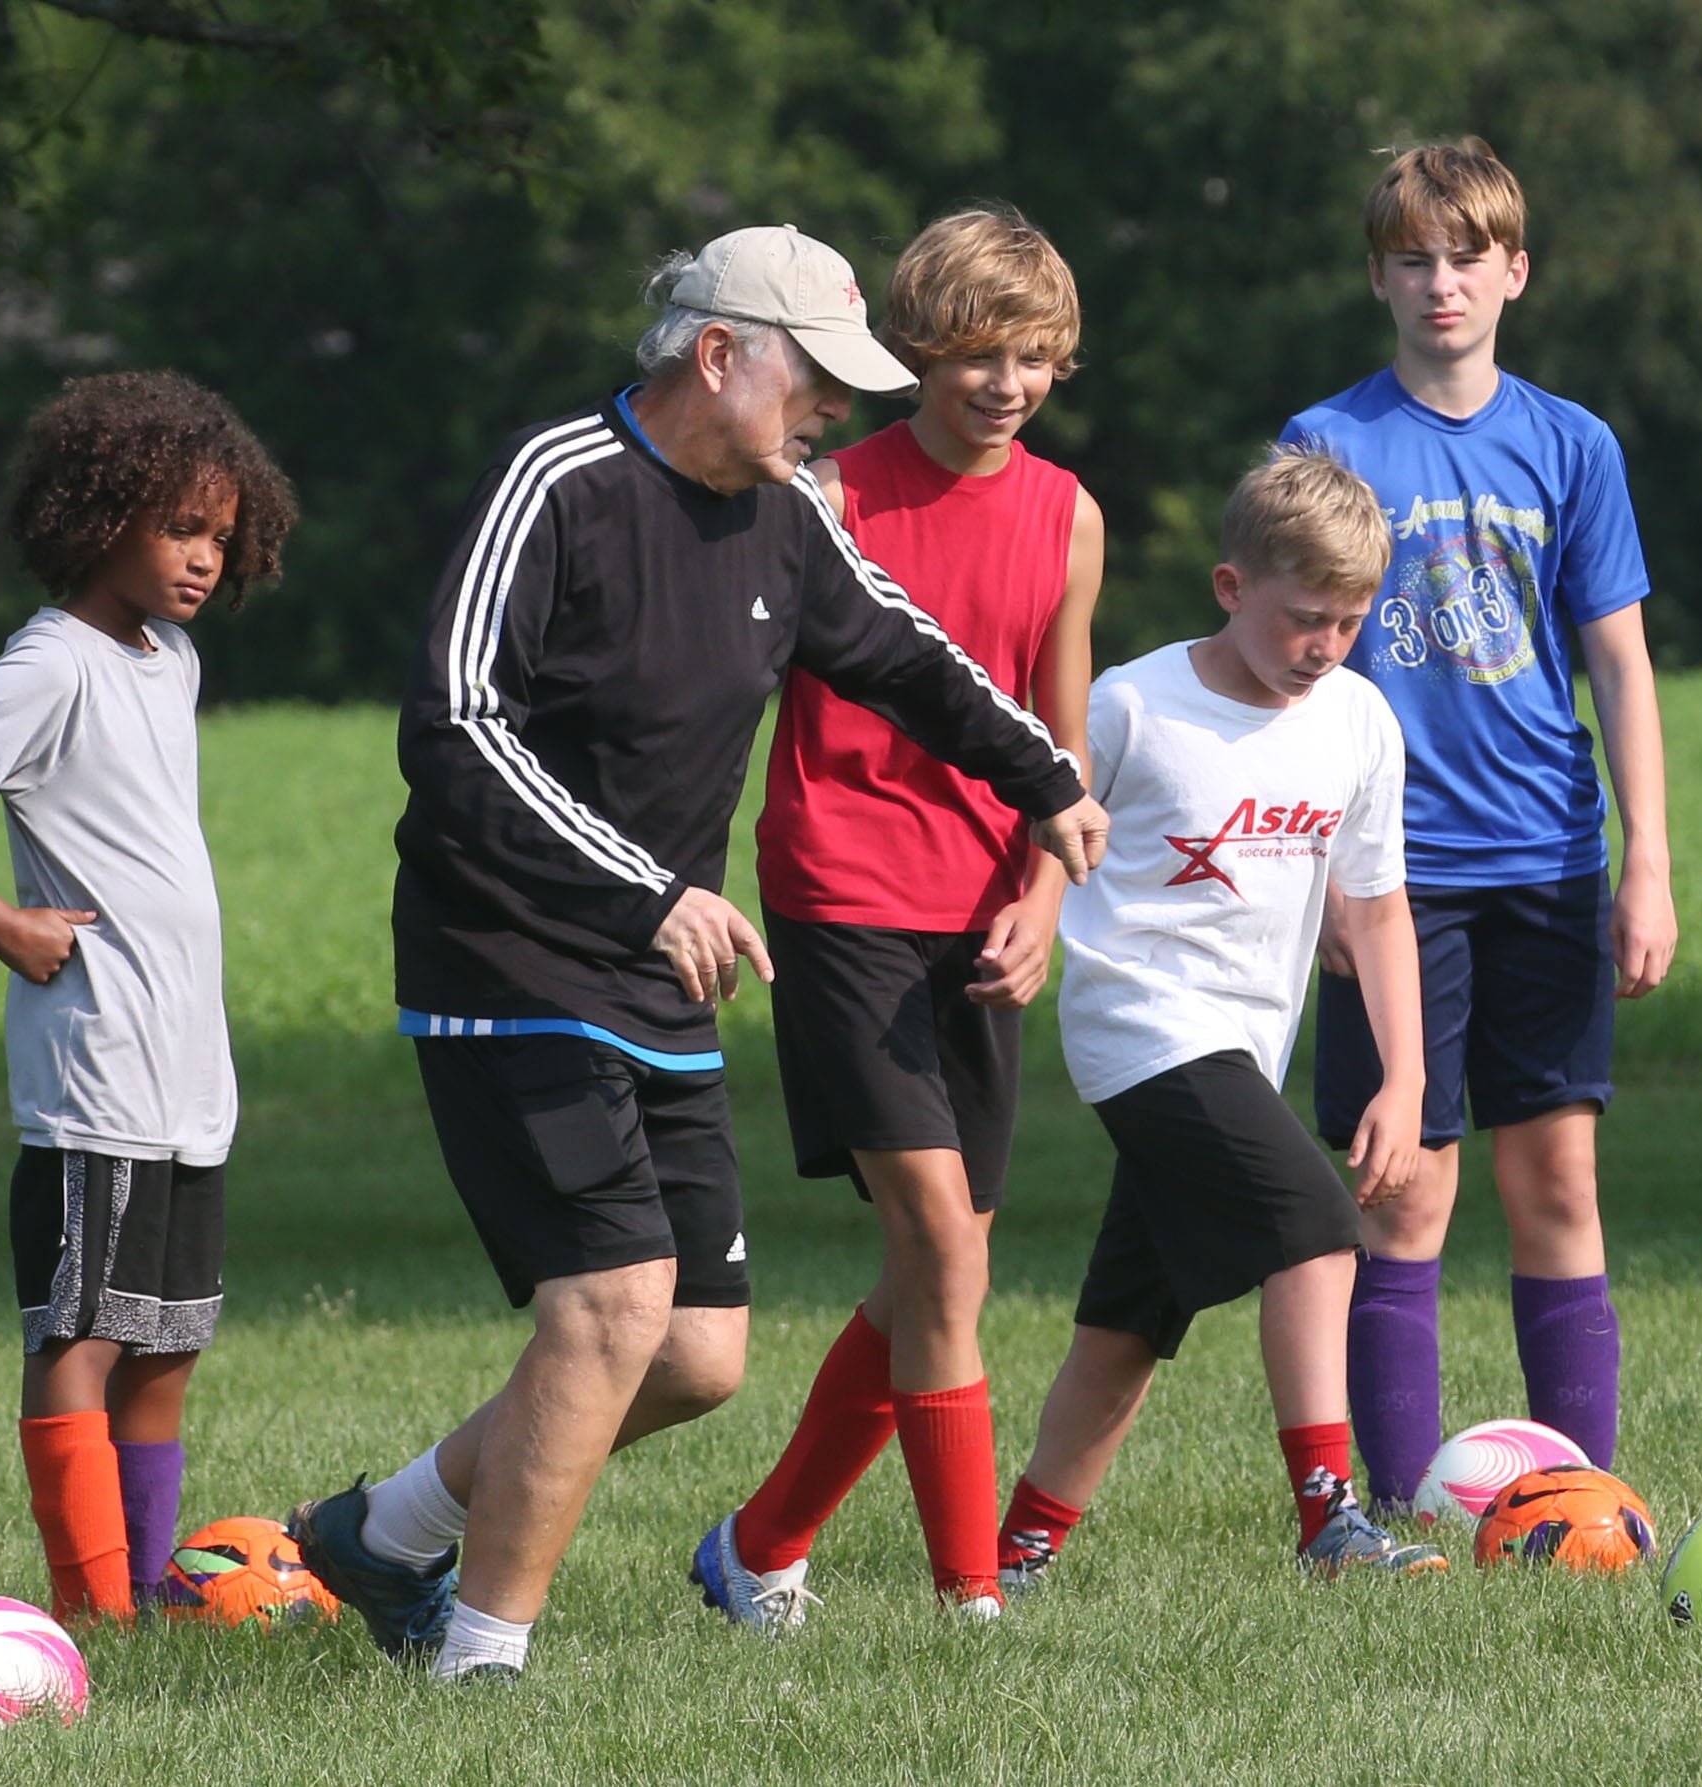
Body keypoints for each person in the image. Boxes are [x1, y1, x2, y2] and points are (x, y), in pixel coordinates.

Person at [284, 223, 1109, 1684]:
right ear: (717, 354)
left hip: (658, 965)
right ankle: (481, 1662)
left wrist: (1045, 775)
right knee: (605, 1306)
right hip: (510, 959)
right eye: (814, 385)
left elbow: (907, 653)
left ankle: (382, 1529)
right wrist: (642, 887)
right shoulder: (556, 483)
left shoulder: (785, 512)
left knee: (693, 1353)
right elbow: (458, 729)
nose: (833, 417)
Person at [697, 203, 1101, 1623]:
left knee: (949, 1265)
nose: (1005, 383)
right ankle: (966, 1598)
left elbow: (1058, 737)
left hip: (984, 914)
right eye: (980, 353)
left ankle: (755, 1543)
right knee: (935, 1238)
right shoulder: (824, 495)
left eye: (1035, 357)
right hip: (842, 889)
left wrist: (1044, 896)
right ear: (917, 353)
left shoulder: (1068, 515)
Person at [1279, 138, 1677, 1511]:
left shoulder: (1572, 444)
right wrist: (1321, 876)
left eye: (1464, 256)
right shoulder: (1325, 445)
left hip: (1550, 864)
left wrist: (1647, 867)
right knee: (1399, 1194)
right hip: (1387, 882)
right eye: (1411, 258)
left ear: (1513, 271)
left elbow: (1617, 664)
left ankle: (1582, 1501)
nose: (1438, 281)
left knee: (1556, 1184)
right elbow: (1295, 674)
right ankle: (1390, 1513)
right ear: (1375, 276)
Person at [0, 372, 297, 1624]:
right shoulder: (50, 660)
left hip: (186, 1071)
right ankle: (91, 1606)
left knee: (167, 1342)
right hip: (98, 1070)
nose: (204, 558)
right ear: (99, 514)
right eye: (179, 527)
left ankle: (152, 1596)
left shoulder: (171, 660)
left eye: (222, 534)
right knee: (82, 1338)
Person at [991, 445, 1446, 1588]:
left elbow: (1379, 909)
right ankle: (1330, 1517)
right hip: (1138, 1027)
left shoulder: (1358, 721)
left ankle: (1025, 1546)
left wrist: (1407, 1081)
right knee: (1315, 1224)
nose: (1326, 646)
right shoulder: (1133, 704)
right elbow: (1044, 836)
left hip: (1245, 1044)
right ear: (1231, 587)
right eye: (1304, 618)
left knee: (1131, 1317)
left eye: (1350, 621)